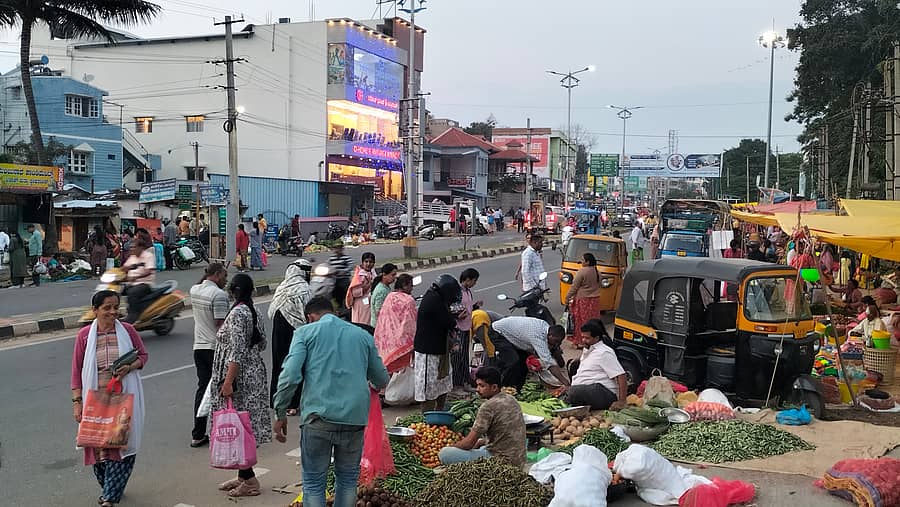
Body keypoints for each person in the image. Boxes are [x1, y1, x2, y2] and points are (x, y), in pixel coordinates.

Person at [273, 296, 389, 507]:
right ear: (334, 312)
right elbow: (381, 378)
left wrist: (280, 412)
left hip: (318, 420)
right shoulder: (362, 336)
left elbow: (290, 376)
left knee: (314, 483)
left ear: (310, 317)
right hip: (354, 419)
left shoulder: (305, 333)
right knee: (347, 480)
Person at [71, 290, 147, 507]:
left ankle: (109, 498)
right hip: (95, 402)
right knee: (98, 451)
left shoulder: (128, 331)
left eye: (116, 307)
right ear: (95, 310)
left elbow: (143, 356)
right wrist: (77, 403)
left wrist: (129, 367)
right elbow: (76, 372)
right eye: (107, 308)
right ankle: (112, 487)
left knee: (120, 447)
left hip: (122, 401)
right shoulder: (85, 336)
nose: (113, 312)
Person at [208, 273, 271, 497]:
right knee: (243, 425)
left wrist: (228, 381)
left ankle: (250, 480)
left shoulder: (237, 314)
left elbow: (236, 352)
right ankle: (243, 476)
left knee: (238, 428)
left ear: (232, 291)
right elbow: (261, 342)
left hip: (240, 377)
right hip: (253, 372)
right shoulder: (252, 310)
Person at [438, 366, 526, 467]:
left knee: (445, 454)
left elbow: (468, 444)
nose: (477, 389)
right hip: (519, 459)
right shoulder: (511, 399)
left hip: (501, 462)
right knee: (481, 443)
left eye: (482, 386)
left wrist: (452, 447)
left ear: (494, 387)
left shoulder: (488, 406)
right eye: (477, 385)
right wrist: (482, 442)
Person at [189, 263, 229, 448]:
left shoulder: (195, 289)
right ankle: (220, 431)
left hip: (199, 347)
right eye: (225, 276)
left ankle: (198, 433)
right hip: (215, 348)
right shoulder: (219, 295)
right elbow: (221, 325)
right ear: (218, 274)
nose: (226, 280)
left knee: (202, 389)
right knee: (222, 389)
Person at [268, 259, 312, 417]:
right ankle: (292, 404)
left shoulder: (281, 287)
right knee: (295, 366)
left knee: (279, 365)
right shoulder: (304, 288)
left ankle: (276, 400)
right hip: (296, 332)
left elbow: (271, 311)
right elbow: (308, 313)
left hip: (278, 332)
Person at [414, 274, 462, 411]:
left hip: (439, 349)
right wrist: (454, 321)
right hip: (428, 351)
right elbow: (448, 321)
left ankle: (439, 410)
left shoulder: (435, 297)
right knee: (429, 385)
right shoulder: (433, 300)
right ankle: (427, 416)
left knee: (442, 381)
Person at [490, 317, 570, 391]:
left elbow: (553, 357)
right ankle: (503, 389)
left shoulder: (546, 328)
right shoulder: (537, 337)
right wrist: (565, 382)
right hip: (497, 332)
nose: (557, 344)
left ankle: (516, 389)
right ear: (550, 336)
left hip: (513, 337)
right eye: (556, 341)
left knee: (523, 363)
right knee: (513, 361)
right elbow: (549, 363)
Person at [564, 319, 627, 410]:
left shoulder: (604, 352)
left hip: (604, 392)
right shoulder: (588, 350)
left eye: (587, 338)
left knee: (574, 391)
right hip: (589, 391)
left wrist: (621, 401)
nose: (583, 340)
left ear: (596, 338)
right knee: (569, 389)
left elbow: (621, 375)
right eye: (582, 337)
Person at [374, 273, 417, 373]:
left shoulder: (390, 296)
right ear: (405, 286)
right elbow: (411, 324)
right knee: (402, 377)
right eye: (411, 286)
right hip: (402, 346)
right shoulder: (408, 300)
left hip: (387, 342)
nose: (412, 289)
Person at [453, 268, 482, 392]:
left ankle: (464, 381)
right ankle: (457, 384)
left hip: (466, 328)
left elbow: (468, 308)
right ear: (468, 279)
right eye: (474, 281)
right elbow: (454, 309)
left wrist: (475, 306)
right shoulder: (457, 292)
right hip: (458, 329)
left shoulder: (468, 292)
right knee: (457, 357)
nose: (475, 283)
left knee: (465, 356)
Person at [566, 253, 603, 347]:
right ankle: (592, 340)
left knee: (580, 321)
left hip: (583, 301)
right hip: (595, 301)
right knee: (593, 321)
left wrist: (567, 297)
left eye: (583, 260)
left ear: (588, 262)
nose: (581, 262)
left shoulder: (582, 271)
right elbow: (600, 285)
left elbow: (574, 287)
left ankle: (580, 341)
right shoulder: (597, 272)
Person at [122, 229, 156, 323]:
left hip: (145, 284)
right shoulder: (132, 257)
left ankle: (134, 314)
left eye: (134, 247)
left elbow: (149, 271)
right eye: (131, 247)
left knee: (132, 293)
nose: (132, 249)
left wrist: (136, 277)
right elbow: (124, 268)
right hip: (131, 283)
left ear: (141, 248)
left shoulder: (148, 256)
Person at [346, 252, 376, 324]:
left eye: (371, 262)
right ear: (362, 262)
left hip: (369, 303)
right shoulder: (359, 275)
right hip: (360, 304)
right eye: (366, 261)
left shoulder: (372, 272)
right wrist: (368, 285)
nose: (368, 264)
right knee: (362, 323)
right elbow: (354, 293)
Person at [369, 263, 398, 327]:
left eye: (395, 275)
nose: (395, 277)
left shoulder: (385, 286)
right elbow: (379, 312)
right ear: (384, 275)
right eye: (392, 275)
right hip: (380, 326)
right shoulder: (381, 291)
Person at [329, 242, 354, 310]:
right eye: (336, 248)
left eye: (339, 248)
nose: (337, 250)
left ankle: (347, 305)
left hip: (344, 278)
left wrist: (344, 271)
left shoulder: (346, 258)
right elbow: (327, 265)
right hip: (334, 279)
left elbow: (351, 266)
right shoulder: (331, 258)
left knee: (344, 291)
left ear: (342, 249)